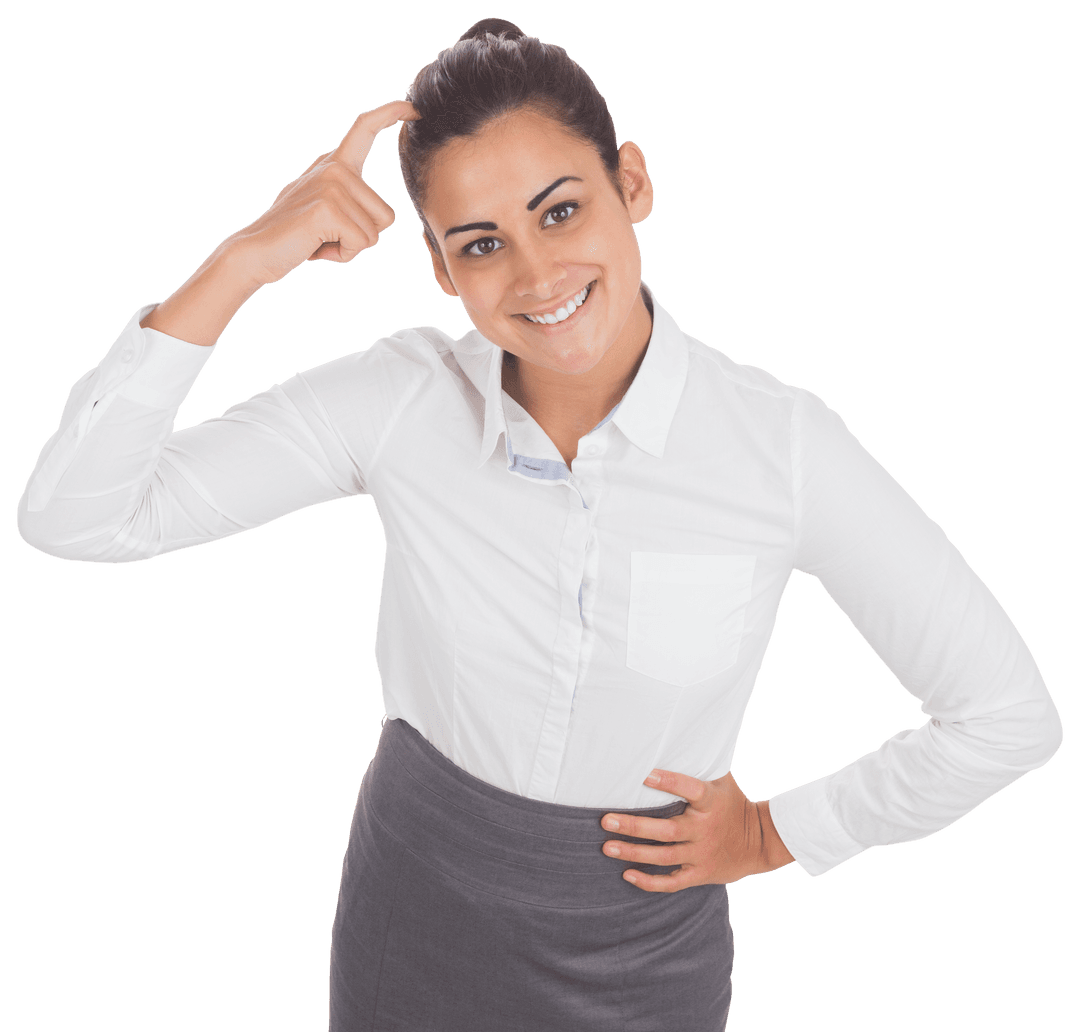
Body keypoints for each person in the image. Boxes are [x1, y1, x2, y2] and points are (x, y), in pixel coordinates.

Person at [15, 16, 1063, 1032]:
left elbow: (1007, 717)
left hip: (642, 955)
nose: (535, 276)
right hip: (409, 909)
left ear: (633, 185)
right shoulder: (401, 400)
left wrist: (777, 832)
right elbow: (78, 518)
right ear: (439, 267)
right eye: (480, 244)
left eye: (560, 212)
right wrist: (243, 259)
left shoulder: (782, 447)